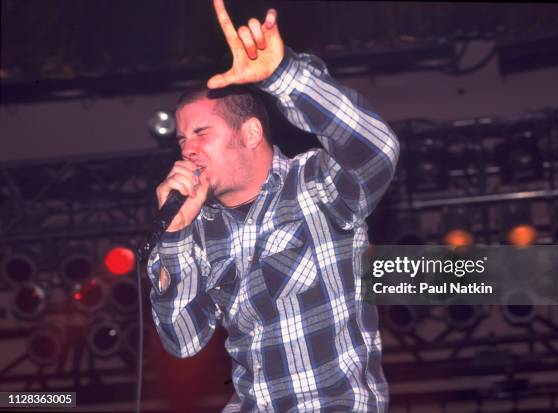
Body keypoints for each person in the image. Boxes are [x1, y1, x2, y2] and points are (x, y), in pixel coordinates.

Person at [146, 0, 399, 411]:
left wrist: (285, 77)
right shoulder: (200, 228)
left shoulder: (313, 184)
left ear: (249, 133)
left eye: (200, 132)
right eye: (180, 140)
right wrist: (173, 236)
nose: (186, 149)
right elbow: (182, 340)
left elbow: (378, 150)